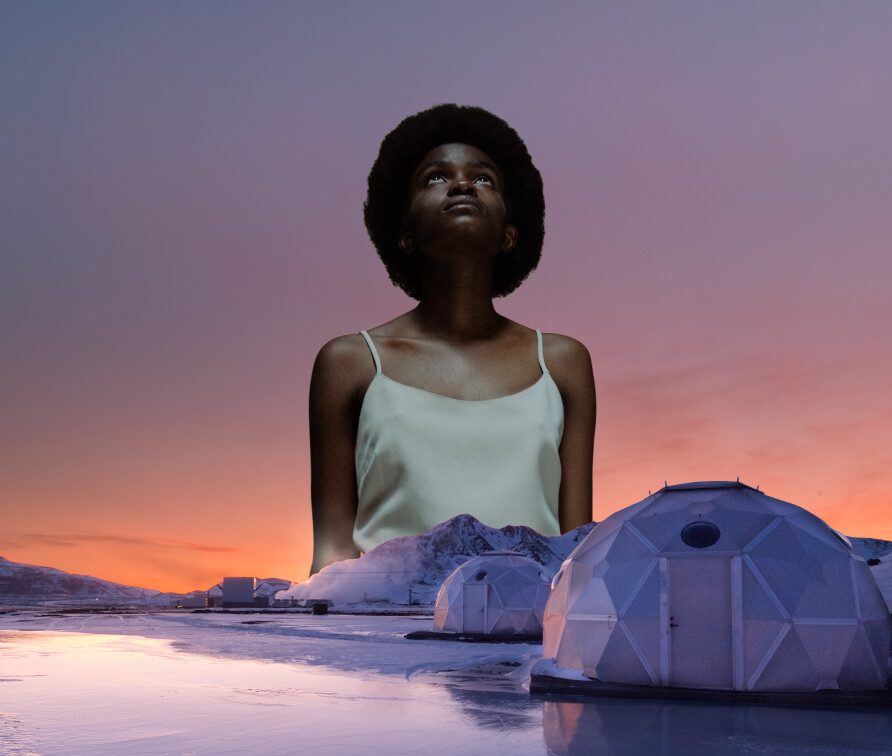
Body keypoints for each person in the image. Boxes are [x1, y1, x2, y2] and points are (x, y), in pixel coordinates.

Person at [309, 104, 596, 575]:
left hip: (526, 639)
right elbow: (330, 562)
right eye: (435, 178)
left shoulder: (562, 363)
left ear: (509, 234)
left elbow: (577, 557)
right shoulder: (349, 363)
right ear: (404, 234)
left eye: (484, 179)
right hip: (386, 637)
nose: (462, 184)